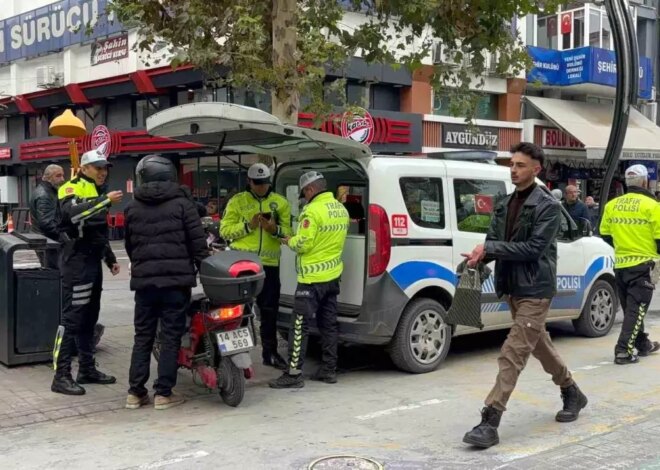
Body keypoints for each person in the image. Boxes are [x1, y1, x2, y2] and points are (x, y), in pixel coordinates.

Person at [461, 142, 587, 449]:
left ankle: (490, 419)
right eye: (512, 164)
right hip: (512, 288)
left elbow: (533, 250)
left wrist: (490, 248)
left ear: (536, 169)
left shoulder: (548, 207)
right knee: (539, 345)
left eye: (520, 165)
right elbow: (494, 241)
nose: (513, 169)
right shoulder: (503, 203)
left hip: (536, 290)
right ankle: (572, 391)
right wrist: (478, 258)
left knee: (513, 351)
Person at [124, 155, 209, 410]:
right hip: (176, 282)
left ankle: (135, 393)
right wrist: (204, 267)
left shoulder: (132, 207)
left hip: (144, 284)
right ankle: (163, 393)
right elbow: (198, 244)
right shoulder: (183, 205)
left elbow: (129, 246)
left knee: (143, 337)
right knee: (171, 336)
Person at [51, 148, 122, 396]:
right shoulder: (70, 187)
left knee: (90, 318)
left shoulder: (97, 191)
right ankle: (60, 376)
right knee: (72, 320)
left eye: (105, 168)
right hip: (76, 262)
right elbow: (73, 214)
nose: (103, 172)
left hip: (92, 262)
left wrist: (110, 258)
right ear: (84, 168)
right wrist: (105, 201)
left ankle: (87, 369)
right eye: (98, 167)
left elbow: (97, 232)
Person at [269, 171, 349, 389]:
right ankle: (329, 370)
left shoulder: (311, 212)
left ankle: (293, 373)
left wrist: (288, 240)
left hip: (311, 280)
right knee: (329, 325)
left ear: (310, 190)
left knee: (299, 325)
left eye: (304, 192)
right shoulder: (340, 209)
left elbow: (303, 244)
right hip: (332, 277)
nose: (303, 197)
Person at [220, 163, 292, 370]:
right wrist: (248, 226)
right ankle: (234, 355)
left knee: (269, 311)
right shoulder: (237, 201)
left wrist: (274, 229)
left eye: (265, 183)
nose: (261, 187)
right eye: (257, 184)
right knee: (237, 310)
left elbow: (288, 233)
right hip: (241, 265)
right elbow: (225, 231)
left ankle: (270, 353)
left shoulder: (281, 203)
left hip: (269, 265)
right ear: (249, 182)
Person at [599, 164, 660, 365]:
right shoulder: (653, 206)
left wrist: (623, 246)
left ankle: (643, 344)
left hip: (621, 264)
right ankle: (623, 350)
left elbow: (605, 235)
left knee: (632, 309)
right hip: (644, 265)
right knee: (636, 309)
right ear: (644, 182)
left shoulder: (612, 205)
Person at [30, 164, 65, 268]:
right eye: (58, 176)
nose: (62, 179)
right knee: (54, 274)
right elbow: (46, 223)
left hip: (46, 241)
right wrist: (65, 235)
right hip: (48, 242)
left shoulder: (49, 191)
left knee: (54, 274)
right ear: (47, 177)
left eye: (63, 175)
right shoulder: (45, 195)